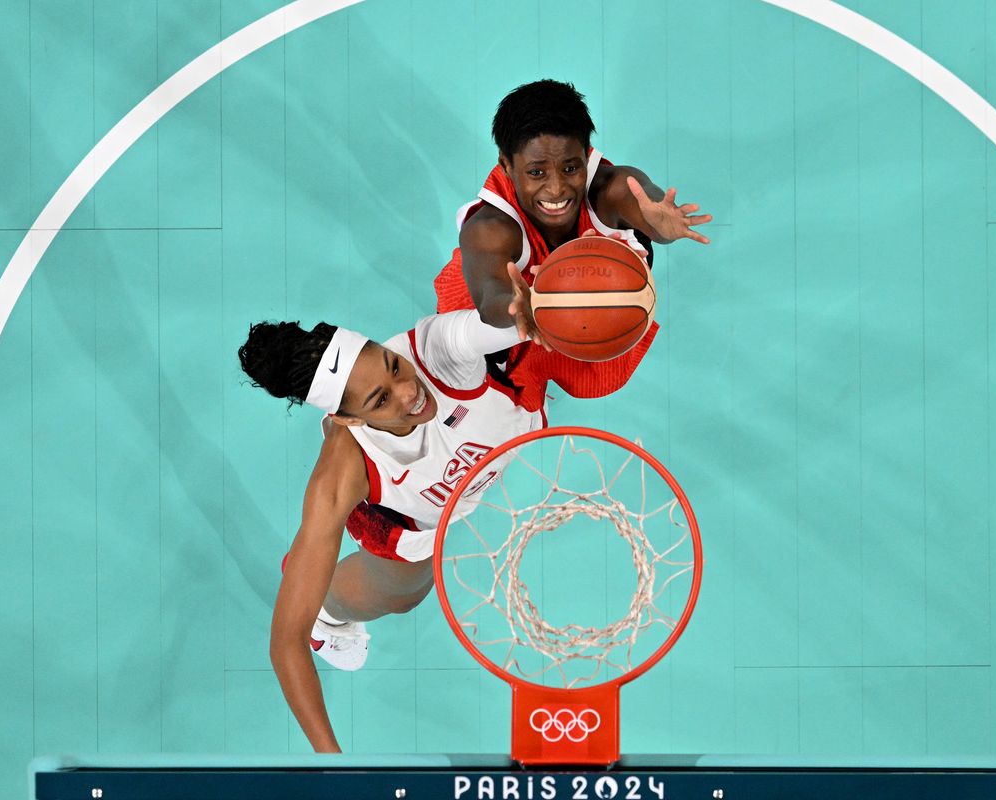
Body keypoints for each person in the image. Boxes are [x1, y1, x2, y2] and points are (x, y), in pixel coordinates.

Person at [239, 265, 556, 753]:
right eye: (381, 399)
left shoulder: (436, 352)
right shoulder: (342, 473)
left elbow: (499, 323)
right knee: (407, 593)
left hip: (480, 451)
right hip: (408, 509)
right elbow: (285, 641)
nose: (410, 391)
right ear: (346, 418)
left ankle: (316, 576)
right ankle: (325, 602)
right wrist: (334, 766)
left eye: (391, 365)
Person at [434, 79, 711, 410]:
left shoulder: (612, 187)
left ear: (587, 153)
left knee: (632, 253)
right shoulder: (490, 228)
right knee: (488, 347)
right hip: (520, 293)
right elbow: (489, 295)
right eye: (536, 173)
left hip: (588, 284)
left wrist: (662, 226)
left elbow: (647, 205)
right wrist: (517, 305)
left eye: (570, 168)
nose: (556, 189)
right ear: (507, 165)